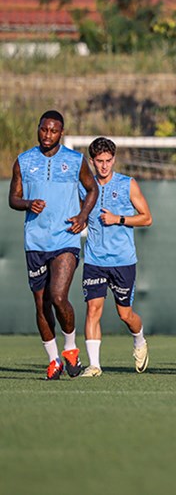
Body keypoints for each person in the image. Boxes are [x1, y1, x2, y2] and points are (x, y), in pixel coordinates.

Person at [8, 110, 98, 380]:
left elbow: (92, 189)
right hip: (35, 241)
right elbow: (13, 198)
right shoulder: (24, 161)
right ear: (38, 129)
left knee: (58, 297)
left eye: (54, 131)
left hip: (65, 238)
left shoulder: (75, 160)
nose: (48, 135)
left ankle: (70, 348)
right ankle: (53, 359)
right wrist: (27, 204)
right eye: (44, 129)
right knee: (41, 304)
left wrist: (83, 216)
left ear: (62, 132)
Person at [78, 137, 153, 377]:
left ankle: (139, 340)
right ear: (92, 161)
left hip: (122, 261)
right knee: (93, 310)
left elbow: (147, 218)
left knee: (125, 315)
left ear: (114, 160)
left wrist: (118, 218)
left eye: (108, 161)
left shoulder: (127, 184)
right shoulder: (84, 186)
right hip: (94, 260)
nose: (104, 166)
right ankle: (94, 365)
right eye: (99, 161)